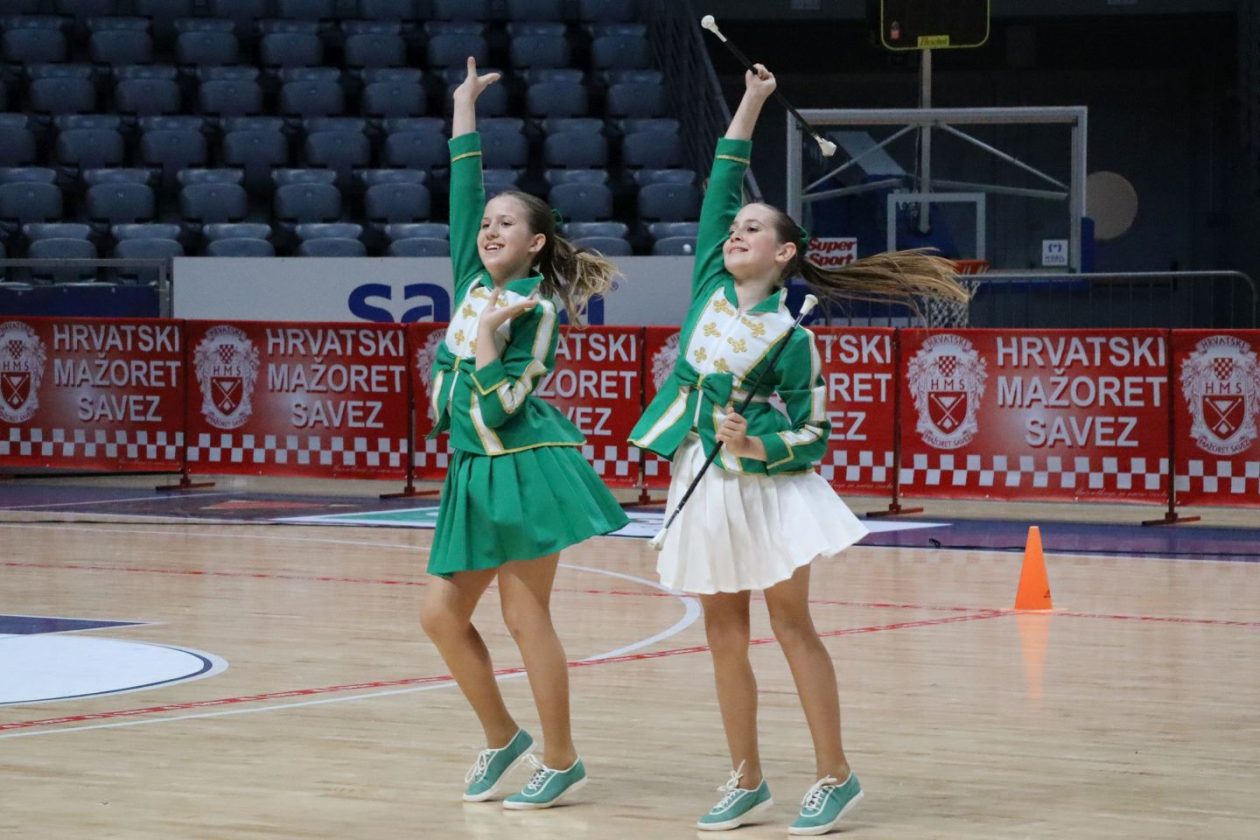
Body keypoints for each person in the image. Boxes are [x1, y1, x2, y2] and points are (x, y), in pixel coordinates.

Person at [629, 64, 968, 835]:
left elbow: (814, 434)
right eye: (737, 228)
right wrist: (751, 101)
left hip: (769, 488)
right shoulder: (708, 285)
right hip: (702, 475)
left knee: (790, 627)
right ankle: (745, 779)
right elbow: (722, 183)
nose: (737, 233)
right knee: (722, 634)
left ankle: (834, 775)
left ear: (784, 254)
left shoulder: (792, 336)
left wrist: (756, 439)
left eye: (754, 229)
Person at [419, 57, 630, 811]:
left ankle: (561, 757)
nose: (488, 230)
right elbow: (463, 195)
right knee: (440, 616)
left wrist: (482, 344)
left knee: (522, 614)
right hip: (472, 468)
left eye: (506, 224)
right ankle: (502, 735)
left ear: (536, 243)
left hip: (523, 463)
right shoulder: (472, 282)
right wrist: (464, 109)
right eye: (488, 225)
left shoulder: (534, 312)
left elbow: (505, 403)